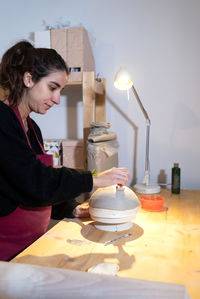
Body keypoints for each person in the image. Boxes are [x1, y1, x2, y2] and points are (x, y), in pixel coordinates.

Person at [0, 40, 130, 261]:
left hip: (32, 249)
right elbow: (34, 182)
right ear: (29, 79)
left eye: (60, 90)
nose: (57, 99)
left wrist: (72, 209)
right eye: (52, 88)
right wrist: (94, 178)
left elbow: (39, 190)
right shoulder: (2, 120)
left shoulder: (33, 129)